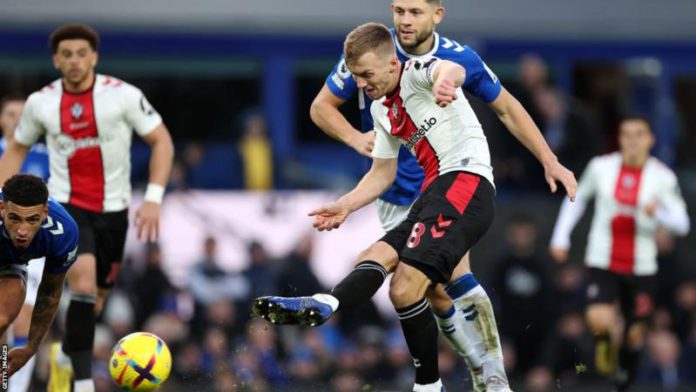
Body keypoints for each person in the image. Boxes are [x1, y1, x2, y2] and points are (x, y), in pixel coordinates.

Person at [255, 22, 576, 392]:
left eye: (366, 75)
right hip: (433, 193)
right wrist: (345, 205)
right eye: (356, 77)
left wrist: (448, 81)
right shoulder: (381, 111)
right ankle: (327, 302)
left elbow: (448, 69)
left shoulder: (421, 71)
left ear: (393, 64)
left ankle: (436, 383)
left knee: (408, 287)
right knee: (377, 256)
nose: (360, 84)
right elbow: (381, 174)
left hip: (465, 184)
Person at [306, 1, 539, 389]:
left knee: (441, 279)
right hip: (401, 194)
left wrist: (549, 160)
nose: (405, 19)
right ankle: (466, 369)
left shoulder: (427, 65)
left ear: (437, 14)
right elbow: (322, 109)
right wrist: (353, 151)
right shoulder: (374, 68)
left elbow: (463, 80)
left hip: (455, 183)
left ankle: (487, 372)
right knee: (423, 290)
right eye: (399, 10)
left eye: (414, 11)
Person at [0, 23, 174, 392]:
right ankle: (83, 384)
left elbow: (161, 141)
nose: (75, 61)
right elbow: (16, 147)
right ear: (56, 60)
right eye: (67, 54)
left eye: (82, 53)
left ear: (93, 57)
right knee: (82, 283)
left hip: (115, 211)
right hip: (68, 205)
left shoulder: (123, 95)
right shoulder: (41, 103)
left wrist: (154, 199)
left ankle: (65, 357)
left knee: (94, 303)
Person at [549, 116, 690, 391]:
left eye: (639, 134)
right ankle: (605, 343)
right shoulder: (601, 167)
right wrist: (560, 237)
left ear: (650, 140)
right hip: (603, 259)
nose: (633, 140)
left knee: (635, 334)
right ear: (620, 139)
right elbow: (577, 198)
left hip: (641, 266)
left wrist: (659, 212)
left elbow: (682, 223)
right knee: (599, 319)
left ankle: (626, 375)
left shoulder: (662, 176)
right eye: (627, 134)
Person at [0, 175, 78, 380]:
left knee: (1, 320)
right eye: (14, 218)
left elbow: (50, 293)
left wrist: (31, 347)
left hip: (10, 265)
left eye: (32, 219)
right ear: (2, 209)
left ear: (45, 213)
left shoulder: (63, 233)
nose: (22, 231)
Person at [0, 93, 52, 391]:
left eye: (23, 114)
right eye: (10, 113)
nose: (17, 119)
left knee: (23, 322)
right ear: (1, 119)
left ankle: (15, 388)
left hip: (32, 249)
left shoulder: (47, 156)